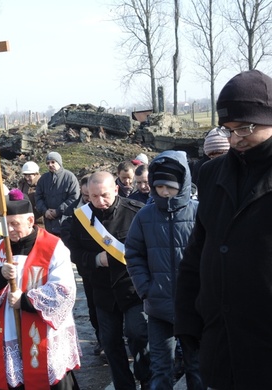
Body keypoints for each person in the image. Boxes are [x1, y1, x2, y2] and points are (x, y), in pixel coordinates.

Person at [175, 69, 272, 389]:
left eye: (246, 127)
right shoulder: (213, 173)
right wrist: (188, 317)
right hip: (222, 336)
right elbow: (199, 249)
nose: (236, 138)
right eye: (228, 129)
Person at [0, 196, 81, 389]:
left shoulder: (53, 246)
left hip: (44, 328)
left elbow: (64, 290)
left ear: (30, 221)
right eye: (6, 225)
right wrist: (0, 274)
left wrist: (25, 301)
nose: (10, 231)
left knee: (50, 376)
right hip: (10, 324)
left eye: (15, 224)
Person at [125, 151, 203, 389]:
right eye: (159, 187)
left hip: (193, 306)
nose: (165, 192)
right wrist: (146, 289)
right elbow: (133, 253)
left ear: (182, 184)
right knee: (160, 368)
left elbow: (210, 254)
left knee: (197, 367)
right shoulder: (144, 216)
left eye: (170, 186)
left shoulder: (198, 213)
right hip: (158, 306)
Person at [66, 171, 151, 390]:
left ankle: (146, 378)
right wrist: (94, 259)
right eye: (93, 197)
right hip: (102, 291)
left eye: (104, 195)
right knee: (111, 344)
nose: (99, 201)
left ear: (116, 189)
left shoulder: (137, 212)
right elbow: (74, 251)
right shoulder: (81, 218)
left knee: (138, 335)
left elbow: (149, 250)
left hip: (132, 288)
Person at [61, 174, 103, 356]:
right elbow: (69, 239)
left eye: (90, 195)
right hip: (88, 267)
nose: (88, 199)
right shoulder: (74, 212)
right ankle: (101, 339)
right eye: (86, 195)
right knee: (94, 306)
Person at [35, 151, 80, 236]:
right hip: (48, 225)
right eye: (48, 163)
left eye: (53, 162)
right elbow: (38, 197)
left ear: (59, 162)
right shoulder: (43, 179)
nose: (50, 165)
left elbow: (74, 198)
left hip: (66, 224)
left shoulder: (70, 177)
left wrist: (58, 211)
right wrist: (45, 211)